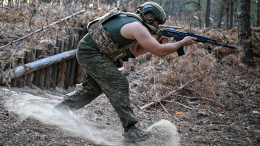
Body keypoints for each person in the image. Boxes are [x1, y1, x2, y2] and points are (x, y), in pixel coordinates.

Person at [53, 2, 197, 142]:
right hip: (91, 53)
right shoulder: (137, 27)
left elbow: (135, 51)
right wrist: (182, 42)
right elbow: (159, 52)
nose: (157, 27)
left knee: (94, 88)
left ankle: (61, 110)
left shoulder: (134, 23)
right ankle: (131, 129)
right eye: (157, 23)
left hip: (93, 52)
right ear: (150, 18)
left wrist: (155, 42)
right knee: (119, 83)